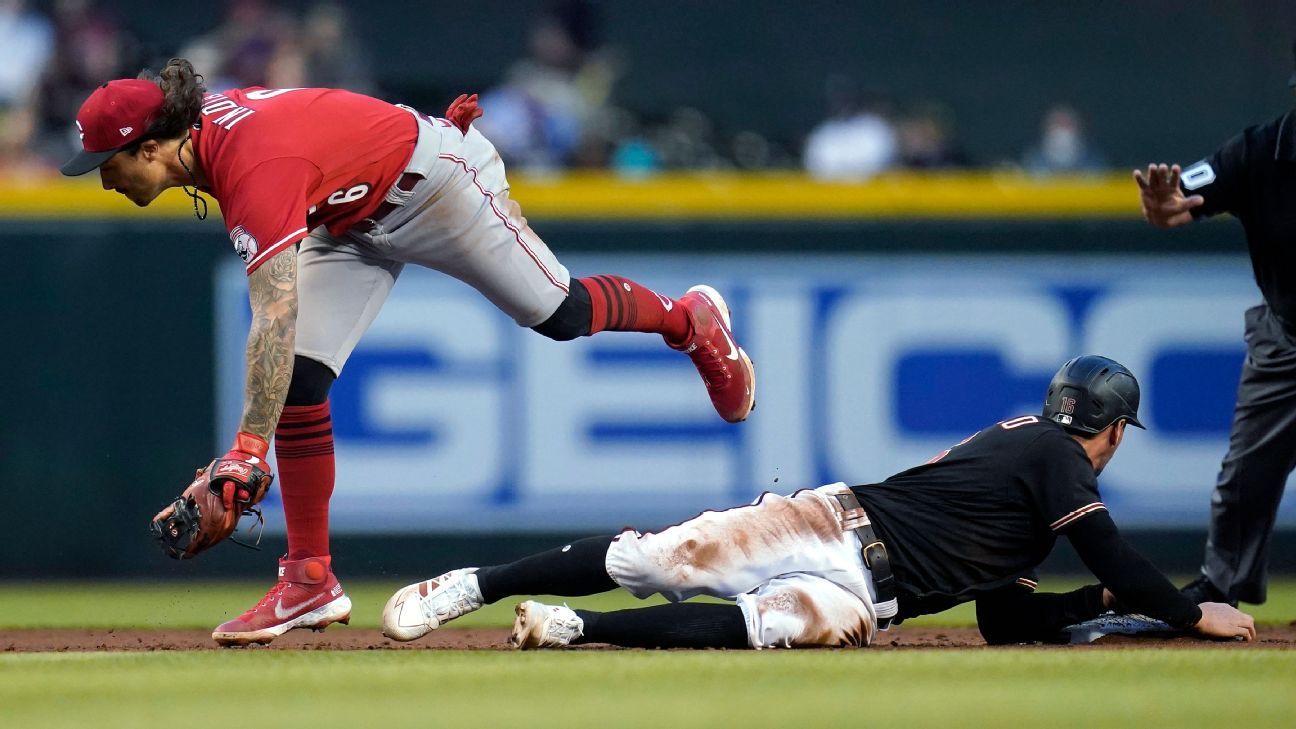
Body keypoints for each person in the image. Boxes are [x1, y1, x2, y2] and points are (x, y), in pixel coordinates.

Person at [60, 58, 756, 646]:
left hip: (433, 183)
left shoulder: (254, 162)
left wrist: (246, 450)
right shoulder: (202, 141)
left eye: (108, 161)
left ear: (151, 146)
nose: (103, 177)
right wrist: (250, 446)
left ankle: (687, 319)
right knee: (301, 379)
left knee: (559, 311)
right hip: (347, 213)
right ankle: (307, 580)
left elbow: (274, 311)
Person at [383, 356, 1256, 649]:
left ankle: (574, 628)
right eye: (1116, 431)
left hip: (866, 594)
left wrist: (1104, 604)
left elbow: (1007, 625)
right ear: (1110, 429)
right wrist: (1184, 612)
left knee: (769, 629)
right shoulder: (1052, 452)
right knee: (658, 559)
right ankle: (474, 584)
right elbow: (1114, 553)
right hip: (832, 521)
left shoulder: (1030, 476)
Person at [1133, 48, 1296, 609]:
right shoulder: (1259, 151)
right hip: (1288, 337)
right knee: (1246, 473)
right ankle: (1222, 586)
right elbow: (1178, 205)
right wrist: (1164, 205)